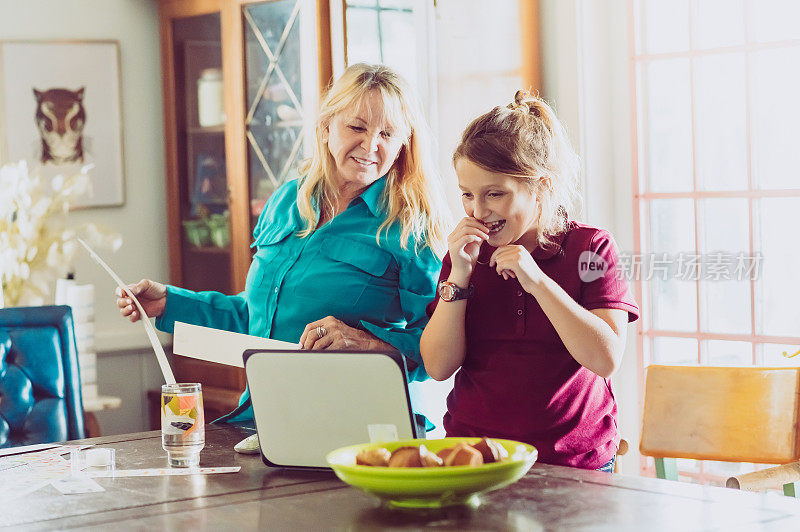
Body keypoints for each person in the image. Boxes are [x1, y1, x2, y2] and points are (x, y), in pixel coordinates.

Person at [116, 63, 450, 430]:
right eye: (356, 126)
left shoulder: (410, 227)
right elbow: (257, 319)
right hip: (266, 417)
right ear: (326, 128)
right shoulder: (286, 200)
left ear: (404, 144)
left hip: (359, 426)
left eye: (387, 133)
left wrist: (363, 342)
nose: (371, 145)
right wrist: (169, 303)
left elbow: (436, 350)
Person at [420, 90, 639, 471]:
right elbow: (438, 366)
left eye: (495, 194)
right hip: (474, 460)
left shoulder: (592, 247)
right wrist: (459, 275)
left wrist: (537, 281)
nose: (478, 210)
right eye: (467, 195)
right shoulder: (465, 256)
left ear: (541, 187)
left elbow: (605, 358)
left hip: (572, 465)